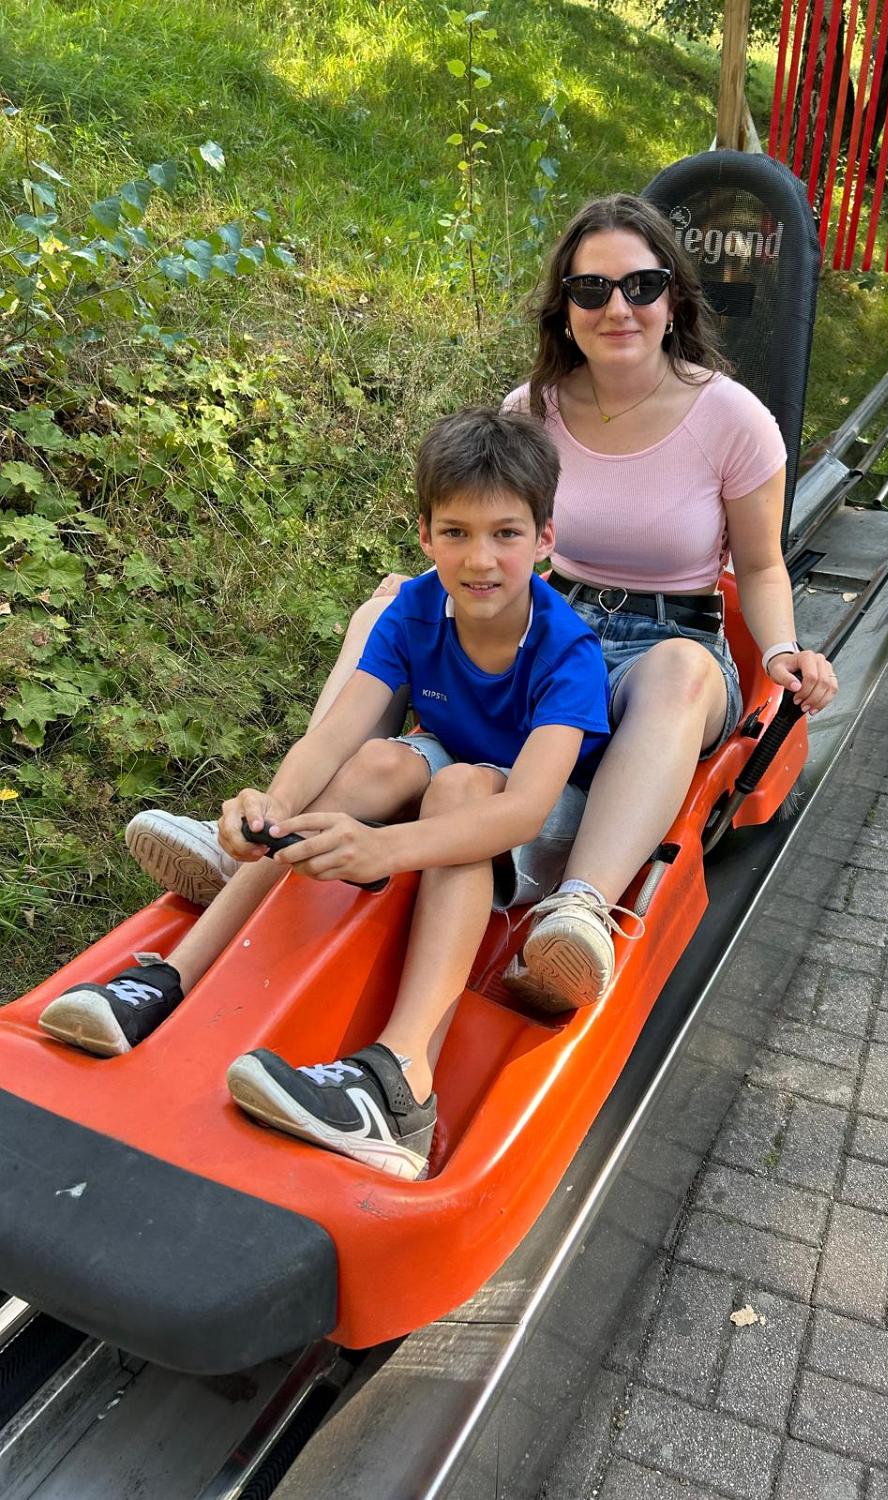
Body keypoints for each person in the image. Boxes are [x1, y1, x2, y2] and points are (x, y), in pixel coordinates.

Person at [123, 192, 838, 1008]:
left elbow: (760, 565)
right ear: (564, 305)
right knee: (388, 606)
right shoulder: (533, 408)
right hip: (544, 617)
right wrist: (432, 592)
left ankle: (581, 907)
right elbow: (493, 535)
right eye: (592, 289)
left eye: (640, 286)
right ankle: (272, 823)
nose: (617, 308)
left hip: (665, 640)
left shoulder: (731, 418)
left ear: (672, 296)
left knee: (677, 671)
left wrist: (780, 651)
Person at [38, 408, 611, 1181]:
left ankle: (403, 1088)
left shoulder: (566, 648)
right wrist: (270, 807)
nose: (479, 559)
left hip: (539, 817)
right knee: (376, 762)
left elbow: (523, 810)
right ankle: (173, 976)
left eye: (504, 534)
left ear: (544, 540)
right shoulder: (415, 608)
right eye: (456, 532)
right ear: (425, 535)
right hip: (456, 773)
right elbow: (333, 735)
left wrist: (383, 848)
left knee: (464, 788)